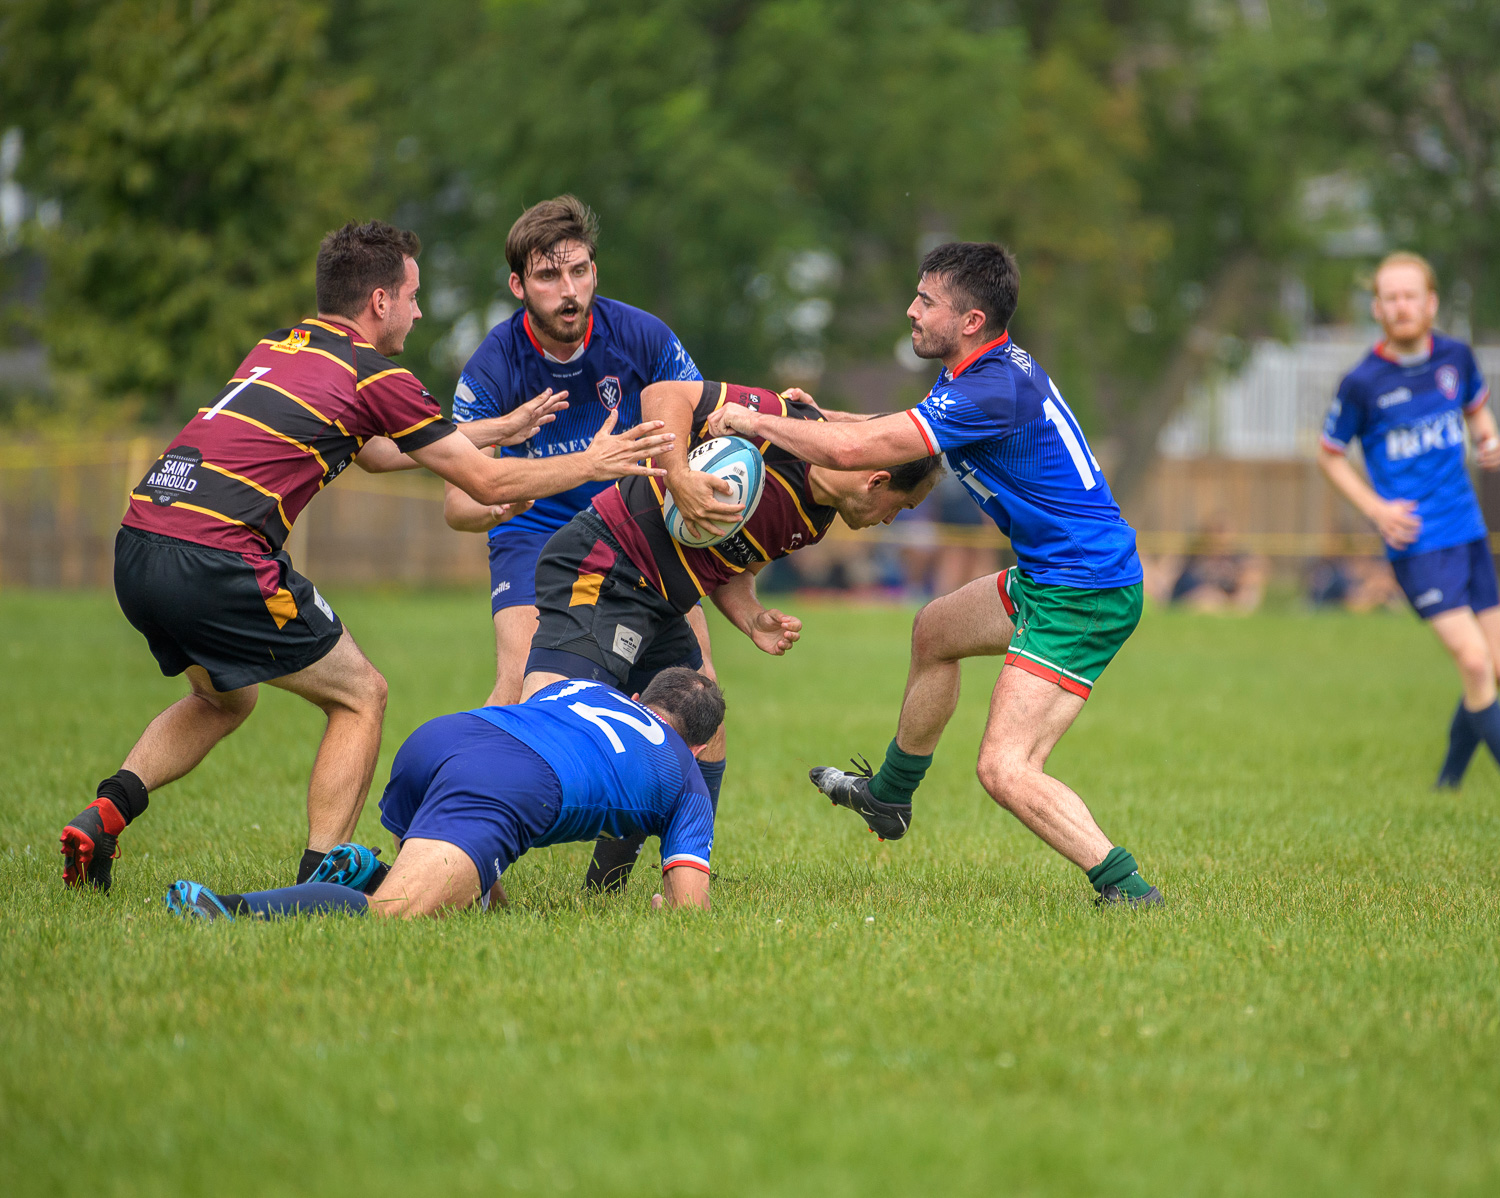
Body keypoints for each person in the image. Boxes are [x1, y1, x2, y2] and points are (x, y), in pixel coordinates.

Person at [61, 220, 676, 892]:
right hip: (219, 555)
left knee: (222, 701)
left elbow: (380, 452)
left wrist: (500, 427)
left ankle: (105, 813)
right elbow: (489, 484)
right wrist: (592, 460)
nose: (419, 309)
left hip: (142, 540)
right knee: (361, 696)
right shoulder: (375, 373)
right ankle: (320, 876)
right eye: (412, 295)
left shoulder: (284, 347)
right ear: (380, 301)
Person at [705, 241, 1161, 908]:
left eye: (926, 302)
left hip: (1082, 590)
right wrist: (821, 416)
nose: (911, 311)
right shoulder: (983, 373)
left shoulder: (991, 387)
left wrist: (756, 421)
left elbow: (866, 449)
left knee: (1004, 768)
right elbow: (895, 430)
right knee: (936, 630)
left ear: (970, 320)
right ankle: (890, 796)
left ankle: (1126, 888)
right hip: (1058, 576)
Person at [525, 377, 943, 890]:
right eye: (899, 508)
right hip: (605, 562)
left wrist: (751, 616)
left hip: (660, 602)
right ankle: (462, 849)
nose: (890, 522)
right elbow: (664, 394)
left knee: (703, 722)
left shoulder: (815, 521)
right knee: (554, 721)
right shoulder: (775, 426)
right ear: (876, 481)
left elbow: (726, 562)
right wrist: (677, 473)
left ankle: (628, 885)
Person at [164, 668, 722, 920]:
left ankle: (367, 872)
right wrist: (664, 908)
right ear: (697, 746)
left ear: (637, 697)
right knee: (396, 917)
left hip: (444, 738)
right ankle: (230, 911)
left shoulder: (589, 690)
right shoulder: (689, 777)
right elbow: (689, 909)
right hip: (508, 778)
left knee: (457, 906)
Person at [444, 196, 714, 709]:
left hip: (636, 524)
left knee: (696, 695)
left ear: (595, 270)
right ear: (518, 287)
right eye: (548, 277)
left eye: (579, 271)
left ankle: (688, 794)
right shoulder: (492, 366)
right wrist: (501, 503)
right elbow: (457, 507)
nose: (569, 292)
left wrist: (767, 414)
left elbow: (707, 417)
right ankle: (480, 785)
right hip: (533, 533)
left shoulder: (642, 337)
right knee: (525, 685)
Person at [1317, 250, 1500, 789]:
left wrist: (1490, 437)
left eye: (1411, 295)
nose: (1401, 305)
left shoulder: (1456, 358)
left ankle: (1447, 784)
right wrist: (1376, 509)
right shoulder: (1362, 382)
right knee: (1477, 666)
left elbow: (1478, 408)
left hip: (1468, 529)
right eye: (1391, 297)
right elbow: (1330, 455)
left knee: (1496, 668)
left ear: (1431, 303)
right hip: (1417, 543)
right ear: (1377, 309)